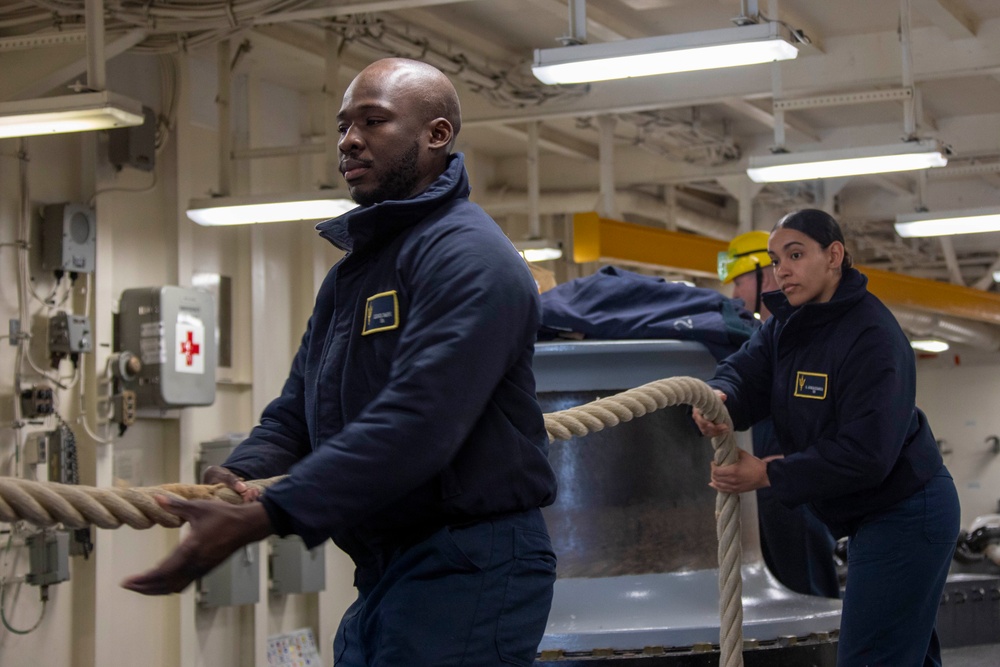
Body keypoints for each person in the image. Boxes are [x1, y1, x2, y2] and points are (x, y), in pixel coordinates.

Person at [122, 57, 559, 667]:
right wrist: (240, 477)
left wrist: (267, 516)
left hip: (469, 563)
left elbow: (418, 425)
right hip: (386, 565)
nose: (349, 140)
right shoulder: (357, 272)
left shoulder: (471, 259)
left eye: (373, 121)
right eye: (342, 125)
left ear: (437, 134)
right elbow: (299, 411)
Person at [694, 209, 959, 666]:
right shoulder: (786, 325)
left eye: (795, 255)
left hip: (907, 514)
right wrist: (721, 399)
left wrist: (769, 473)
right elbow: (745, 372)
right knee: (903, 655)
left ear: (834, 255)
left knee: (870, 657)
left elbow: (866, 454)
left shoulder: (871, 336)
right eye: (777, 259)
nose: (783, 270)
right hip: (875, 517)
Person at [718, 231, 840, 599]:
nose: (736, 294)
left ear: (765, 276)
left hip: (795, 481)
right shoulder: (762, 339)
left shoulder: (810, 334)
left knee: (808, 594)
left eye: (740, 282)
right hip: (767, 482)